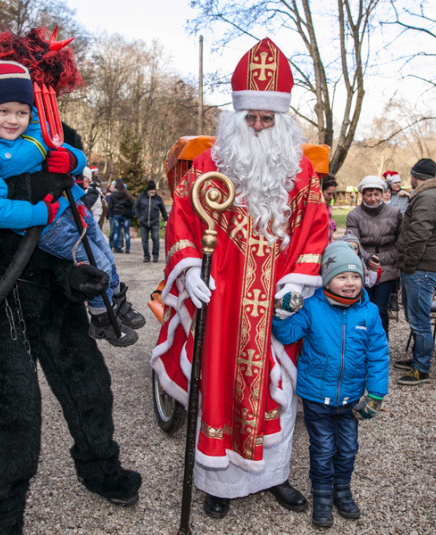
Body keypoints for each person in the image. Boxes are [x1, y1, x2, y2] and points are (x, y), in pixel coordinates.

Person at [0, 28, 141, 532]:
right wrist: (27, 190)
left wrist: (74, 269)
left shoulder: (56, 129)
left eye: (39, 81)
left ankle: (100, 470)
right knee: (13, 409)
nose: (22, 106)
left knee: (89, 387)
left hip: (51, 286)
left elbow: (75, 208)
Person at [151, 37, 329, 519]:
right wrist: (188, 270)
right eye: (249, 117)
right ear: (234, 118)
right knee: (219, 383)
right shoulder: (208, 167)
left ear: (281, 121)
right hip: (222, 300)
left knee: (278, 387)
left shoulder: (302, 175)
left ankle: (274, 476)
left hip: (275, 300)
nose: (256, 126)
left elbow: (316, 230)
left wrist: (298, 281)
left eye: (265, 118)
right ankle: (218, 483)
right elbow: (181, 222)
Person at [0, 60, 143, 346]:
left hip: (75, 207)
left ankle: (115, 298)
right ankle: (103, 317)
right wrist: (39, 213)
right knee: (96, 263)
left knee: (105, 251)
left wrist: (72, 160)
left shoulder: (36, 129)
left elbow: (72, 153)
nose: (13, 120)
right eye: (2, 111)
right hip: (47, 222)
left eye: (21, 111)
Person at [271, 241, 388, 528]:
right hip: (316, 396)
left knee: (348, 448)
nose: (350, 283)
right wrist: (281, 312)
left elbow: (378, 355)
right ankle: (322, 496)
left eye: (356, 276)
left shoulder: (369, 312)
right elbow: (287, 335)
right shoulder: (312, 308)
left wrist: (375, 393)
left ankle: (342, 491)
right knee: (323, 448)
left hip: (350, 398)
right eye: (342, 276)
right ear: (327, 278)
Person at [394, 158, 436, 385]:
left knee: (419, 320)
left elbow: (418, 236)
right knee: (415, 316)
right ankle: (419, 358)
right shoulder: (433, 194)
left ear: (414, 175)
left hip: (421, 267)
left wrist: (408, 264)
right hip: (421, 266)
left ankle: (421, 368)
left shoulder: (427, 197)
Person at [344, 175, 402, 338]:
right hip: (364, 265)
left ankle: (381, 341)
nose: (373, 198)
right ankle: (361, 339)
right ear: (362, 195)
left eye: (376, 194)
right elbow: (353, 241)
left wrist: (386, 258)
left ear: (383, 194)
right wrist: (368, 258)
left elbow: (401, 240)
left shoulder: (395, 213)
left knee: (380, 307)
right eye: (369, 195)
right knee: (363, 305)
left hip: (388, 265)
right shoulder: (354, 215)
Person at [134, 180, 168, 262]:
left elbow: (163, 210)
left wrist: (166, 219)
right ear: (148, 190)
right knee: (144, 240)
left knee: (155, 238)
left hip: (154, 222)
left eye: (154, 189)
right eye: (151, 189)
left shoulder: (158, 198)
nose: (153, 191)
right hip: (143, 223)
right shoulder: (141, 197)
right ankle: (146, 256)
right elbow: (136, 207)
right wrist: (139, 217)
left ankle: (155, 255)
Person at [107, 179, 133, 253]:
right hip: (125, 214)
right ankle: (127, 248)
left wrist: (115, 208)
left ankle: (116, 248)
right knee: (126, 232)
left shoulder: (113, 195)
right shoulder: (127, 194)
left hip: (116, 214)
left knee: (116, 232)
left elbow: (110, 205)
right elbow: (131, 203)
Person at [321, 176, 337, 243]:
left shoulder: (329, 207)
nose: (331, 197)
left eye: (333, 194)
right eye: (328, 194)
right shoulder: (314, 208)